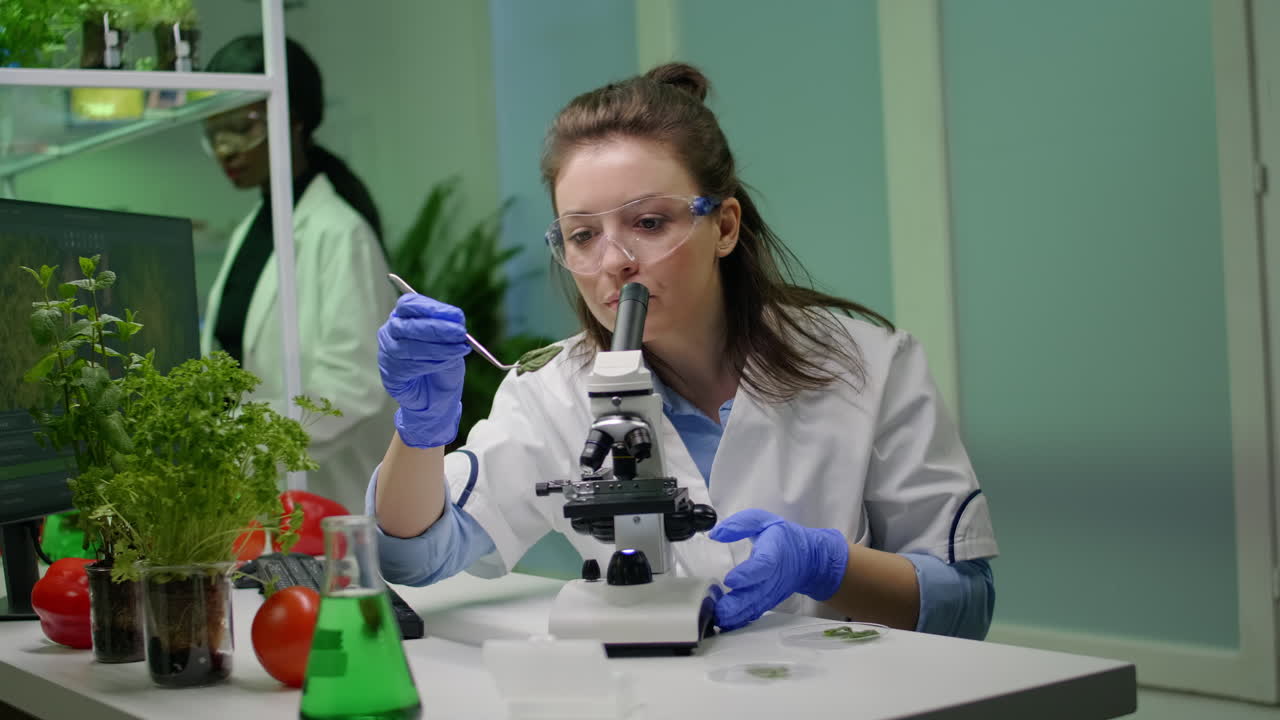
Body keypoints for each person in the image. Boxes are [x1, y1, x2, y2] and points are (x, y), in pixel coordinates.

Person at [370, 63, 998, 637]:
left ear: (724, 226)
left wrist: (825, 565)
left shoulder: (868, 365)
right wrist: (421, 432)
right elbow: (418, 555)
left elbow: (964, 604)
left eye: (649, 223)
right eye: (582, 234)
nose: (615, 263)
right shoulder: (550, 392)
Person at [199, 36, 397, 514]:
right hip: (259, 496)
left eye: (241, 127)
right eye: (214, 131)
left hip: (328, 500)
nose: (226, 148)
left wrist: (250, 445)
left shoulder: (338, 232)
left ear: (293, 121)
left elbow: (354, 382)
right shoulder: (255, 226)